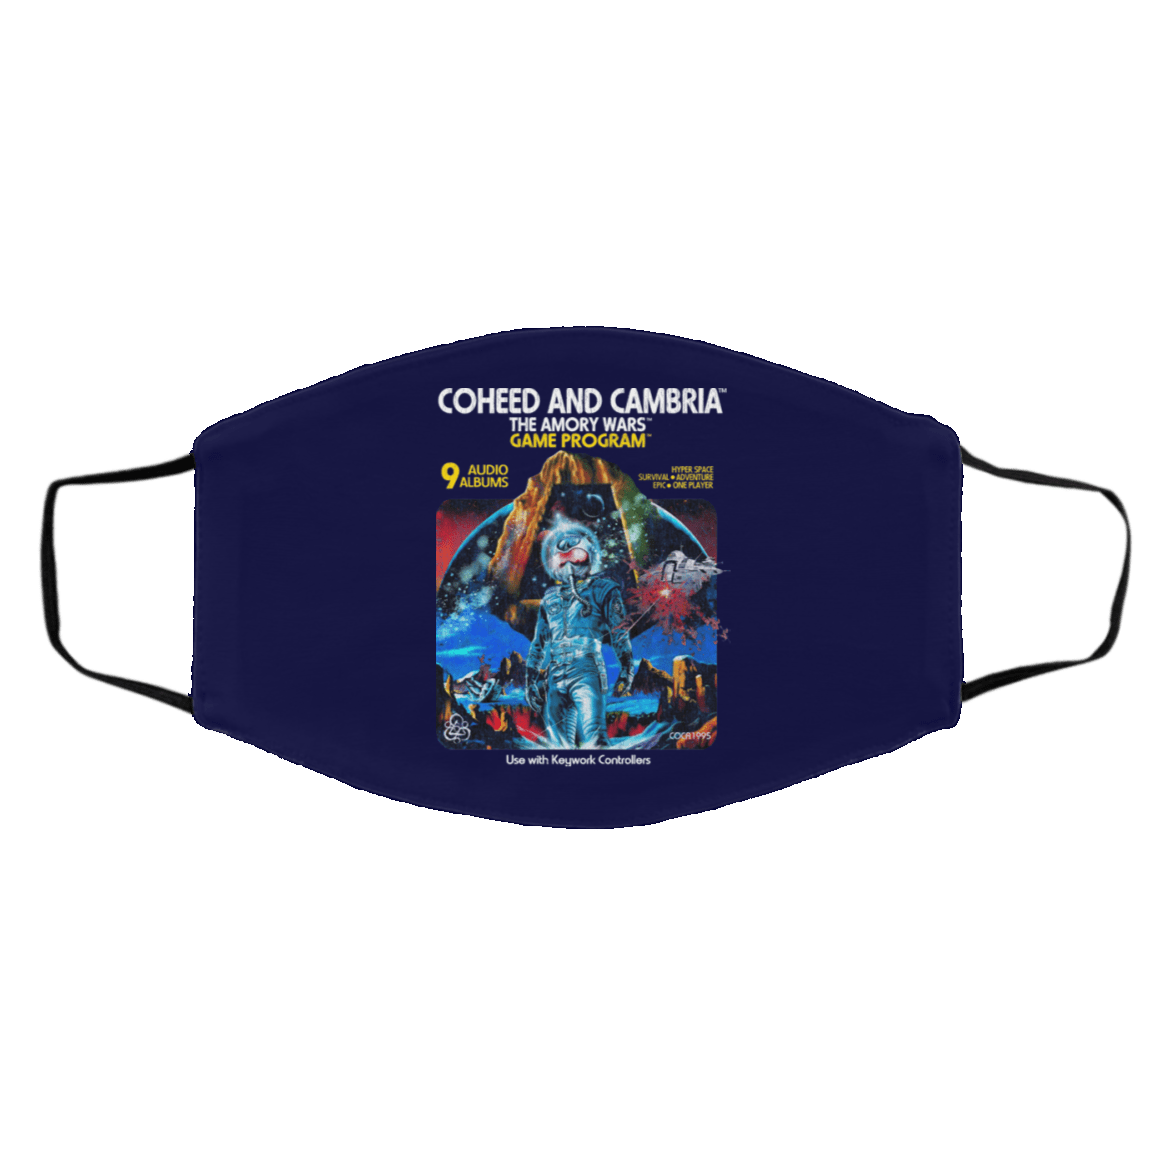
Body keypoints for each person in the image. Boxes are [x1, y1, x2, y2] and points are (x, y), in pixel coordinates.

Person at [526, 523, 635, 747]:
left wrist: (627, 670)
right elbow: (539, 642)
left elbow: (619, 633)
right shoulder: (550, 597)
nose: (569, 565)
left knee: (593, 737)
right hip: (555, 672)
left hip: (586, 668)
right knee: (557, 743)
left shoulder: (603, 589)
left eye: (575, 557)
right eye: (562, 559)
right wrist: (531, 679)